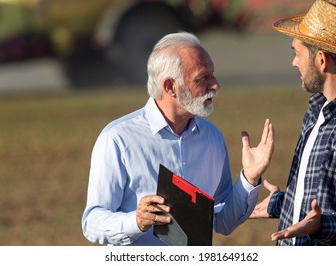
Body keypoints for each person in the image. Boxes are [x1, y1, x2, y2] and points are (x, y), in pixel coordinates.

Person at [81, 32, 274, 245]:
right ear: (170, 87)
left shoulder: (212, 138)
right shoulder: (118, 139)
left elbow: (223, 221)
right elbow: (92, 222)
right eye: (202, 78)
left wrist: (249, 178)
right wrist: (135, 221)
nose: (215, 84)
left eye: (213, 74)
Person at [250, 0, 336, 245]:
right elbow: (324, 194)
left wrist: (322, 226)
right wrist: (283, 202)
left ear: (321, 60)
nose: (294, 62)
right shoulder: (316, 111)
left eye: (297, 53)